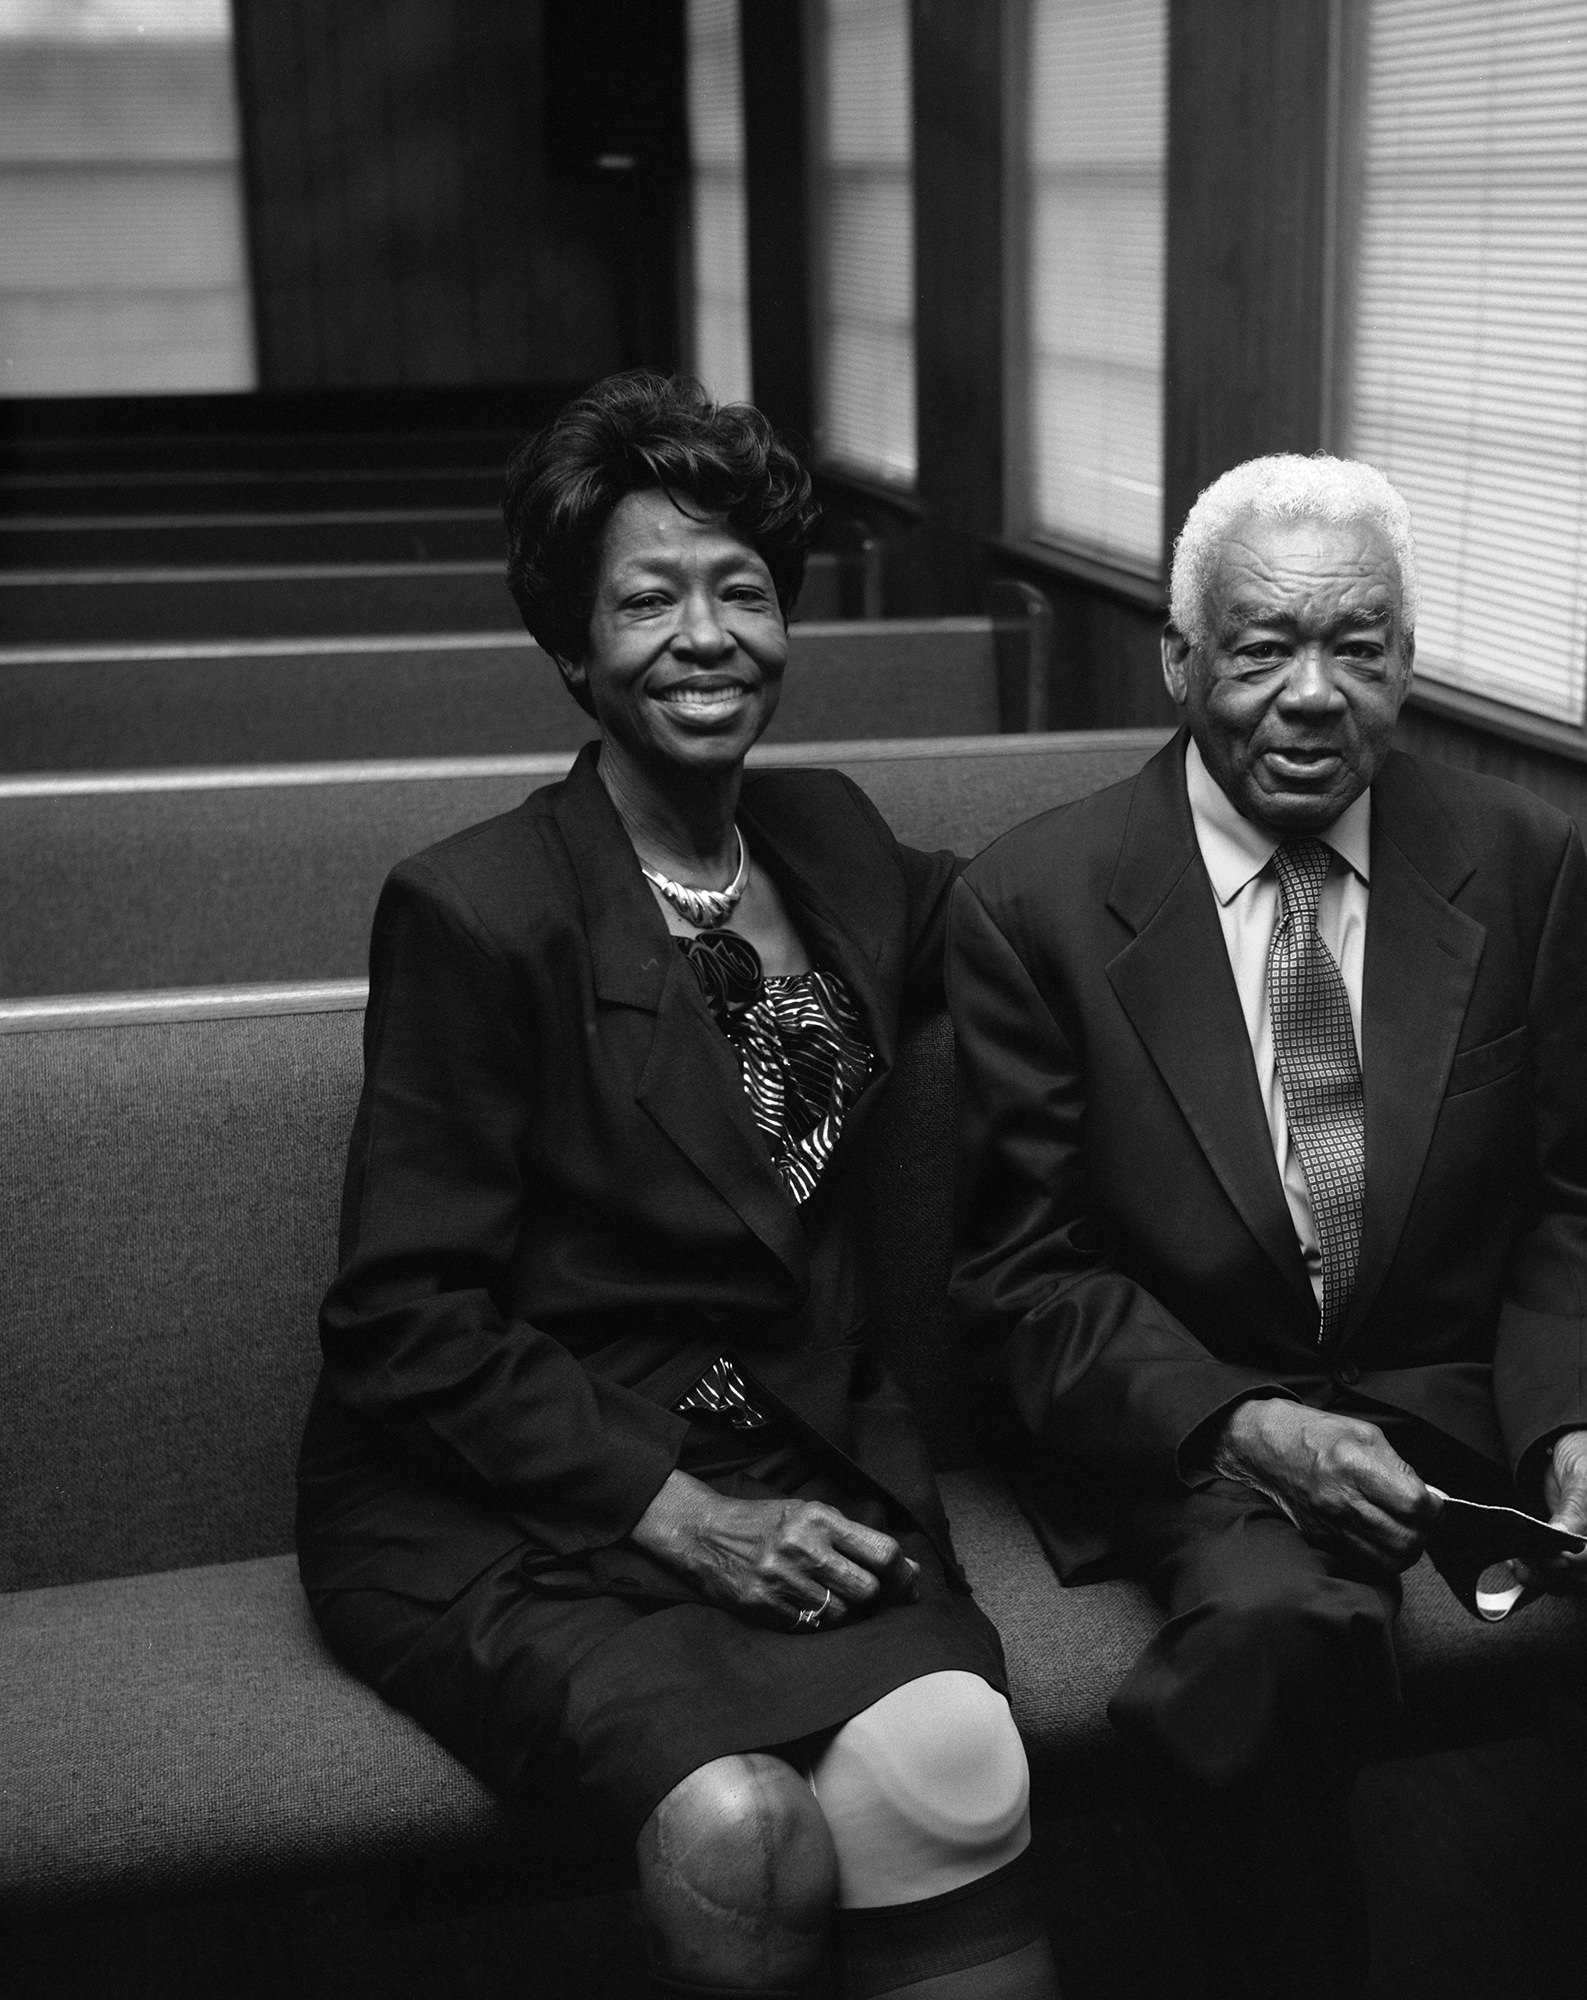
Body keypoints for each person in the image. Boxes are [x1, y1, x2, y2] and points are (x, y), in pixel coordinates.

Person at [946, 452, 1587, 2000]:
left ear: (1410, 661)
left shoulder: (1513, 854)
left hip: (1475, 1371)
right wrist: (1245, 1427)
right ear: (1181, 656)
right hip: (1221, 1413)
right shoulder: (1035, 901)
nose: (1316, 694)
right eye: (1267, 644)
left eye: (1364, 645)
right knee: (1260, 1665)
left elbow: (1575, 1206)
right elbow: (1022, 1279)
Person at [297, 372, 1060, 2000]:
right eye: (648, 598)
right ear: (572, 647)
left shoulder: (835, 842)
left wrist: (1236, 771)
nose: (704, 635)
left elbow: (1034, 920)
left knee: (957, 1765)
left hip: (787, 1443)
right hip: (507, 1497)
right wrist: (687, 1521)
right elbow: (399, 1325)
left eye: (744, 591)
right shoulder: (474, 912)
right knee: (743, 1829)